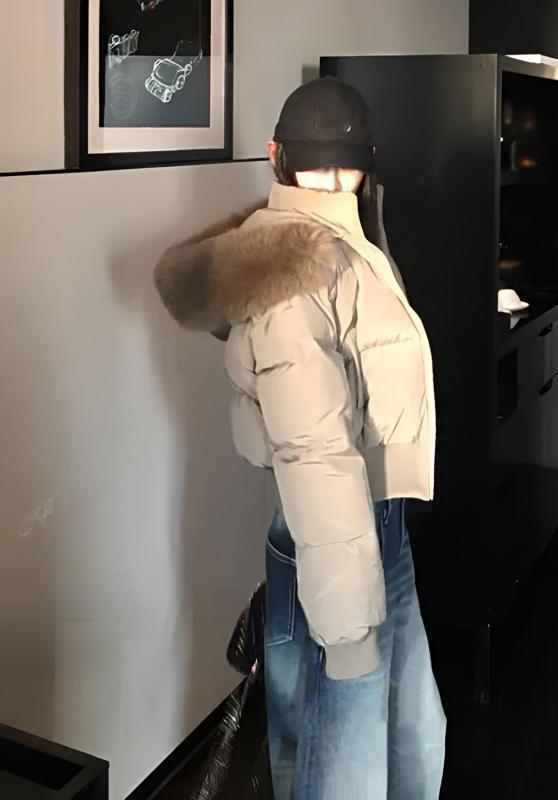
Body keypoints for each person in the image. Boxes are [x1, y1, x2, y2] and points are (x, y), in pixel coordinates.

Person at [154, 77, 446, 799]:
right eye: (322, 167)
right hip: (333, 527)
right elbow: (315, 451)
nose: (335, 183)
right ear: (278, 157)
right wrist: (346, 627)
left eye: (348, 167)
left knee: (408, 731)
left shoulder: (344, 238)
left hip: (367, 525)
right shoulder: (296, 268)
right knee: (348, 759)